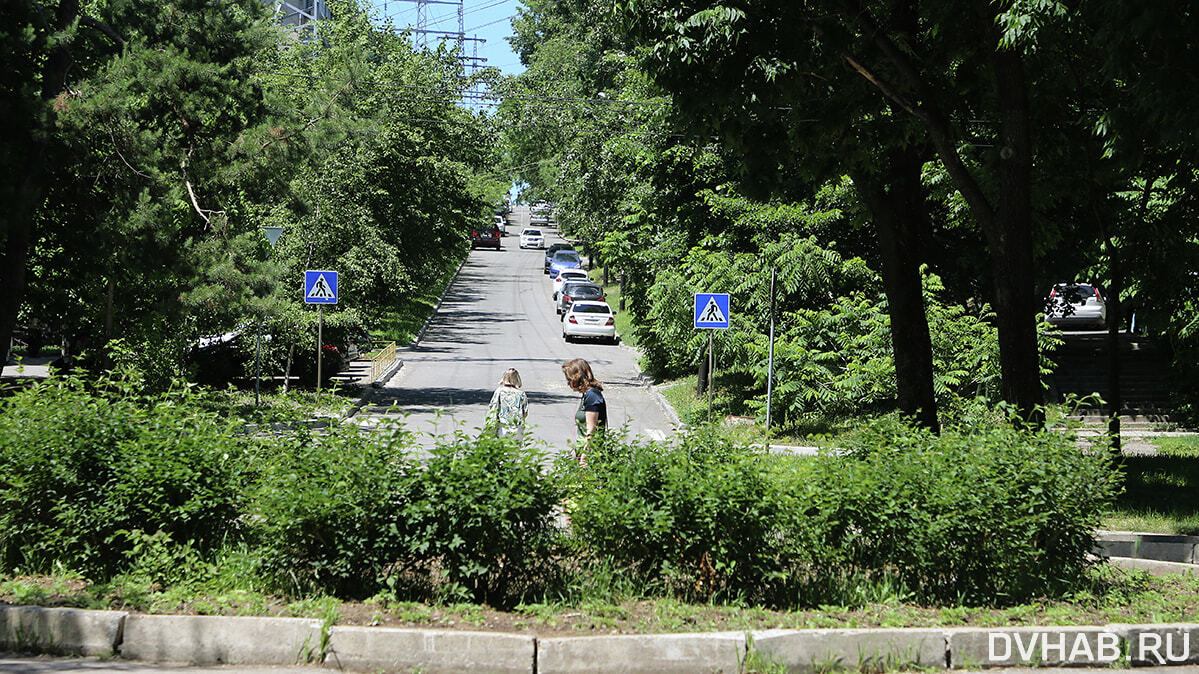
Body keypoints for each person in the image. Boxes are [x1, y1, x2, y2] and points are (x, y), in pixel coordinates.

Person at [561, 358, 607, 459]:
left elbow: (592, 430)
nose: (568, 384)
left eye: (569, 380)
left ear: (578, 378)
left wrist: (585, 456)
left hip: (590, 454)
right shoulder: (587, 395)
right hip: (581, 450)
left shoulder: (592, 396)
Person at [487, 368, 529, 440]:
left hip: (502, 426)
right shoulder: (521, 394)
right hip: (516, 427)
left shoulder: (499, 392)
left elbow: (492, 407)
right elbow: (525, 413)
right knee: (514, 449)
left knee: (502, 449)